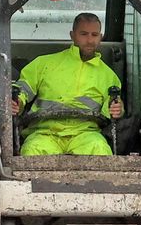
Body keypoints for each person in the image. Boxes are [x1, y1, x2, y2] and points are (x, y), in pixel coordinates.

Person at [8, 12, 124, 156]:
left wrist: (118, 109)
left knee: (100, 149)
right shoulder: (43, 63)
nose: (89, 40)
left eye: (94, 35)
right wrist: (17, 103)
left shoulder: (109, 76)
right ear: (72, 35)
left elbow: (111, 109)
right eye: (84, 34)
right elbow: (22, 90)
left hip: (85, 134)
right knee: (32, 150)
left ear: (100, 37)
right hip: (45, 133)